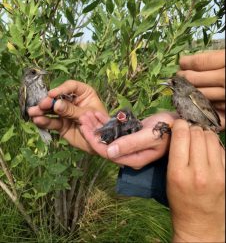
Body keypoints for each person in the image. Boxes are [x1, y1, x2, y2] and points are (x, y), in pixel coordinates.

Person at [28, 49, 225, 242]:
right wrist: (126, 139)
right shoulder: (180, 98)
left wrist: (196, 234)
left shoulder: (192, 96)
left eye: (173, 83)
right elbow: (198, 184)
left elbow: (208, 122)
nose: (168, 84)